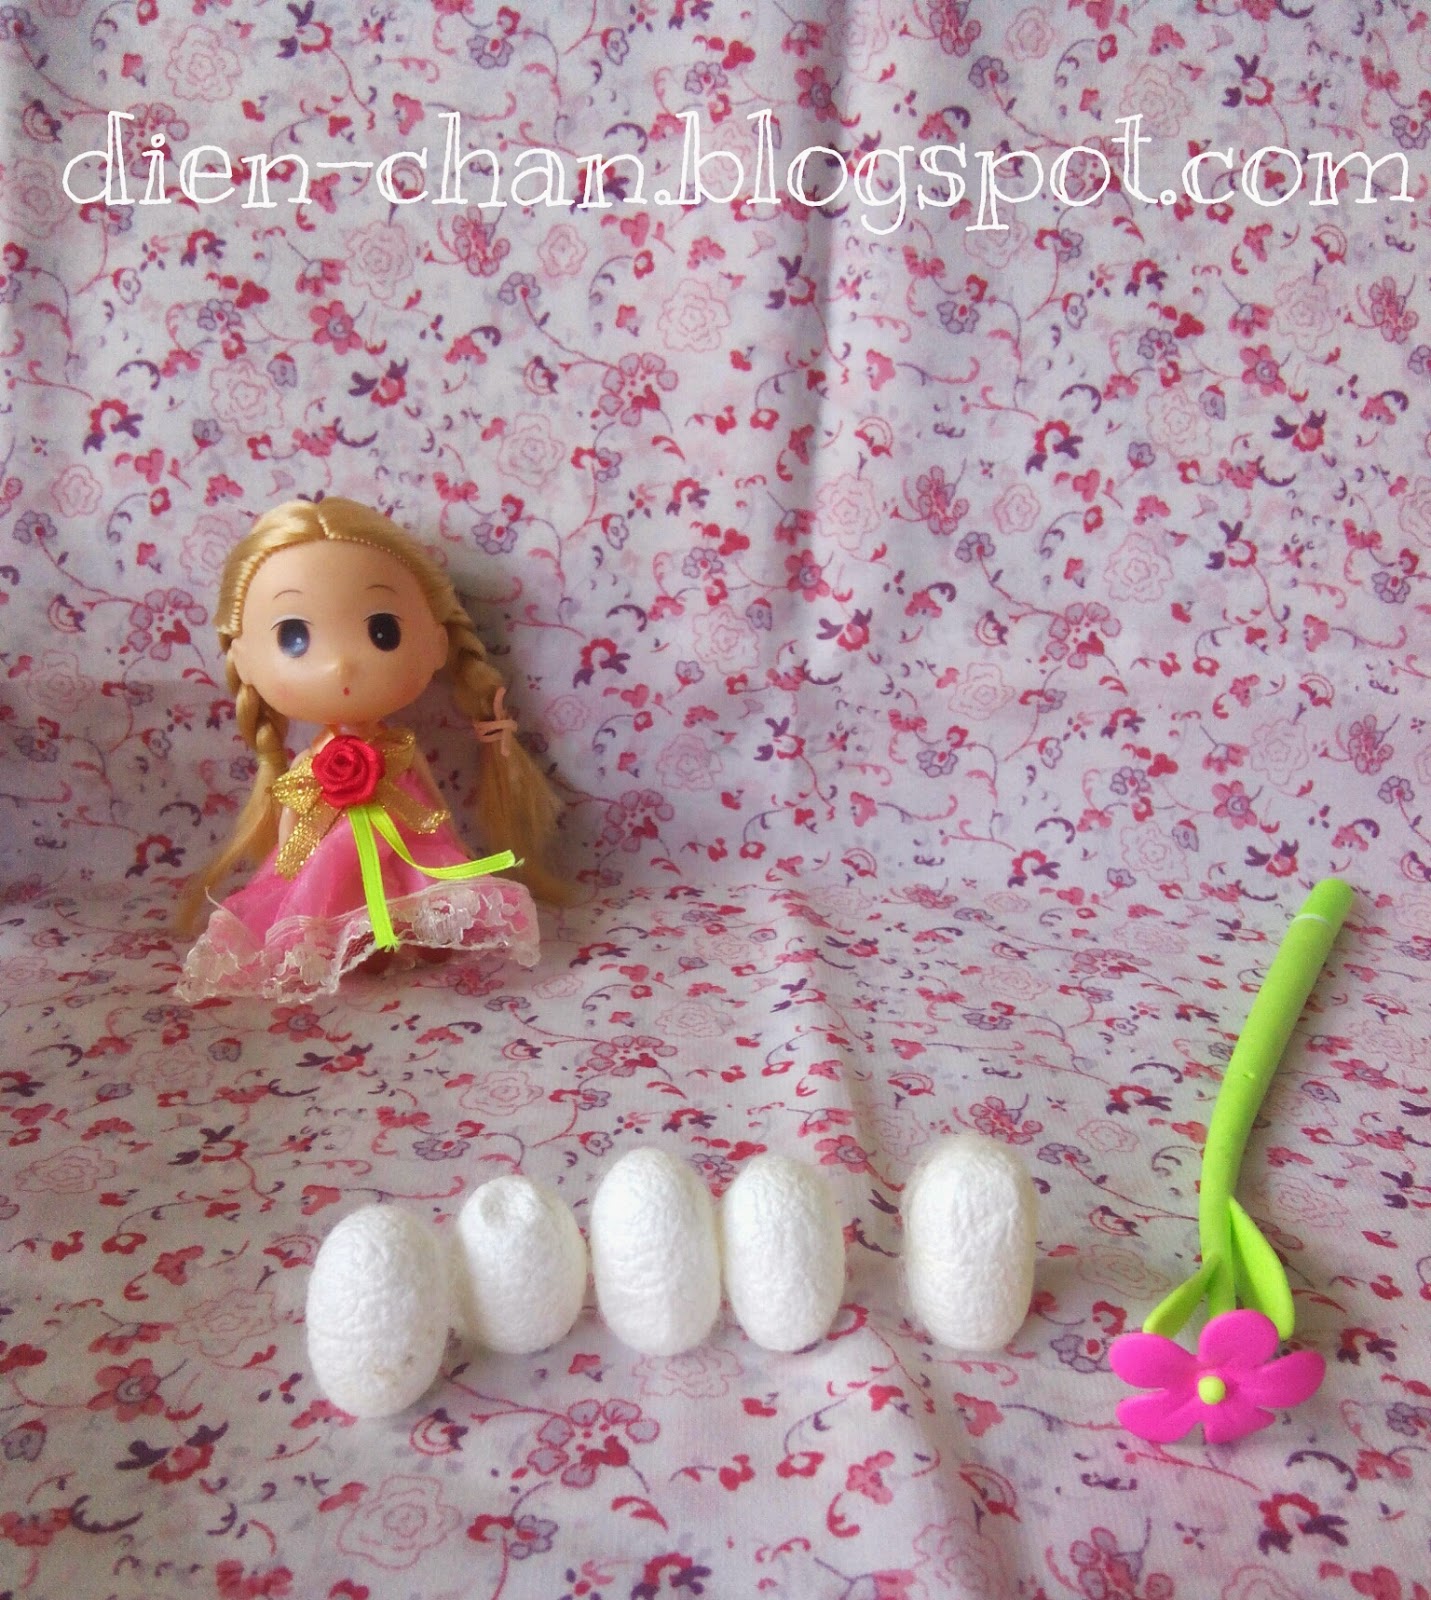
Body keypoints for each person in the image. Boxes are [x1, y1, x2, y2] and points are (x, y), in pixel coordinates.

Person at [175, 497, 563, 1001]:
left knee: (419, 894)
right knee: (333, 902)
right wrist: (290, 865)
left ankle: (415, 936)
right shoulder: (308, 762)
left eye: (383, 631)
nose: (341, 664)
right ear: (244, 661)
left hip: (405, 847)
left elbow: (431, 801)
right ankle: (361, 943)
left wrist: (452, 841)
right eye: (294, 637)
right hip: (333, 859)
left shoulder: (399, 748)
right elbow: (293, 818)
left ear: (437, 644)